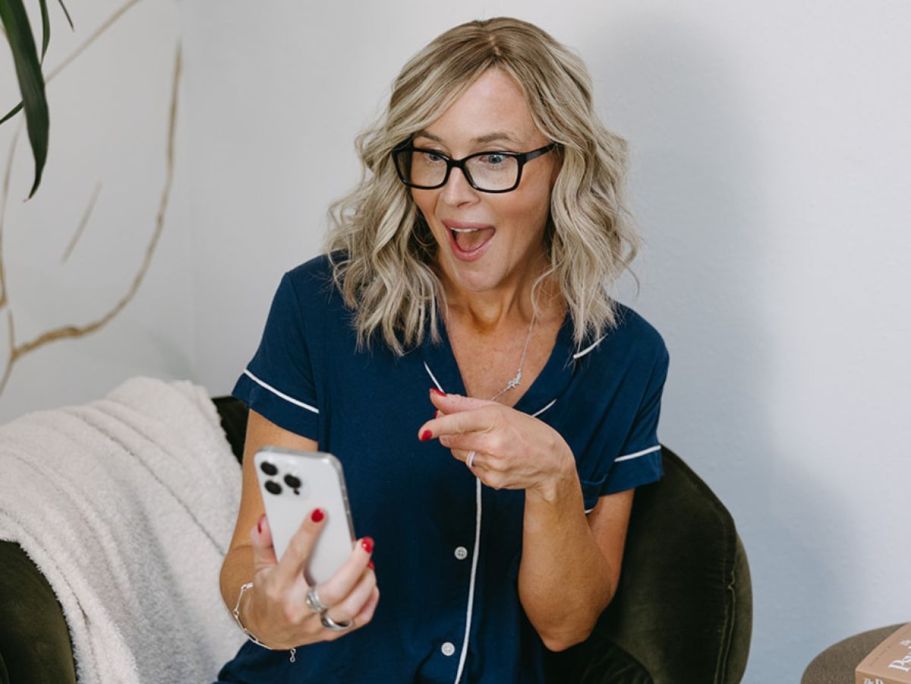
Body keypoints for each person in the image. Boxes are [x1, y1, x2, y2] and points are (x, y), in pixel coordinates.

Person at [215, 16, 669, 684]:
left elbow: (565, 625)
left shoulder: (624, 356)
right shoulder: (319, 306)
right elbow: (244, 567)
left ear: (562, 164)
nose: (452, 197)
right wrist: (267, 613)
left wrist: (552, 478)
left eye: (493, 158)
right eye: (430, 155)